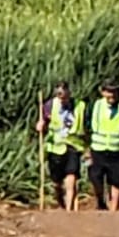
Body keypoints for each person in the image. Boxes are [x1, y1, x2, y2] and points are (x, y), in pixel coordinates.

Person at [37, 81, 88, 211]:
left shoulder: (79, 106)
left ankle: (69, 208)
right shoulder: (49, 106)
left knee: (71, 176)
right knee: (56, 183)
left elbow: (85, 125)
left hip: (73, 145)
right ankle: (61, 203)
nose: (62, 99)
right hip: (56, 147)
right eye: (60, 97)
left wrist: (87, 146)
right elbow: (44, 122)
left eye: (64, 96)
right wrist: (41, 125)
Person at [86, 79, 119, 212]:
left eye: (114, 91)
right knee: (96, 179)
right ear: (103, 92)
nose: (111, 95)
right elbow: (88, 126)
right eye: (108, 91)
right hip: (98, 149)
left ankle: (113, 211)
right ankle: (101, 202)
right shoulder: (95, 106)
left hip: (117, 150)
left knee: (117, 181)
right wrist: (86, 148)